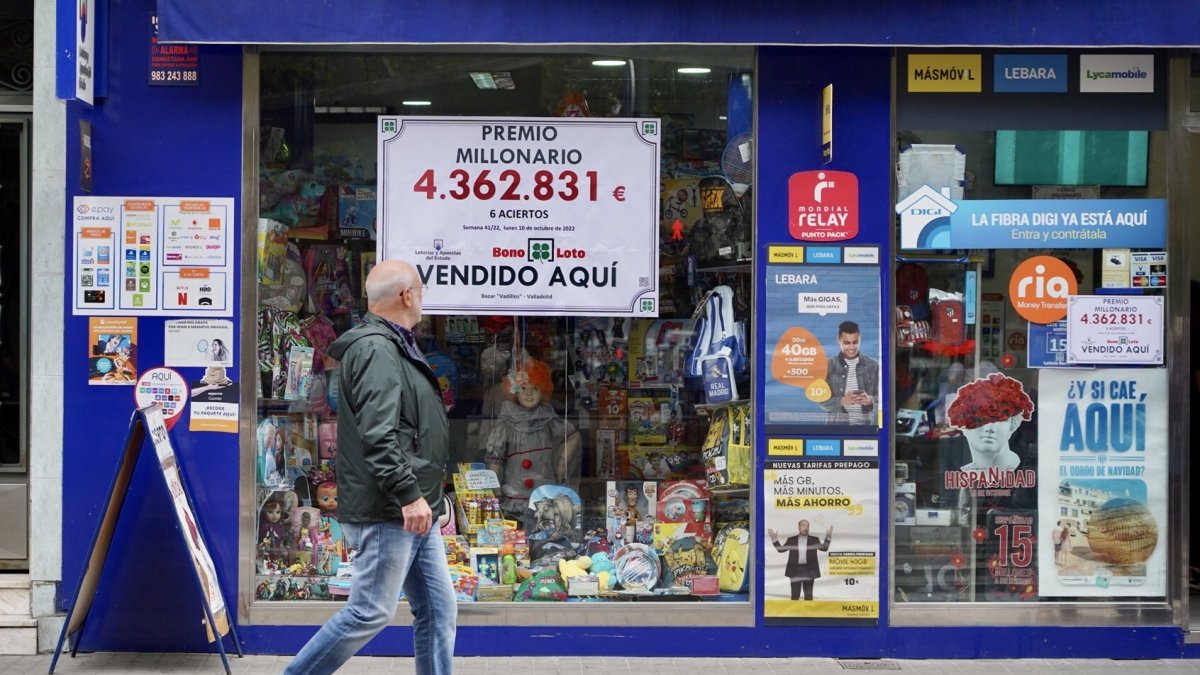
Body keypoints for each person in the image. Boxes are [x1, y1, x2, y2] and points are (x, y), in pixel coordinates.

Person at [285, 259, 455, 675]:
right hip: (392, 508)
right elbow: (379, 435)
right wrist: (410, 495)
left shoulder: (393, 343)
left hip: (414, 507)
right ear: (407, 295)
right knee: (370, 611)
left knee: (438, 612)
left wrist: (424, 496)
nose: (423, 300)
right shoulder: (378, 349)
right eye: (421, 292)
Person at [945, 372, 1034, 472]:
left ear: (1012, 426)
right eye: (978, 420)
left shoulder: (1019, 471)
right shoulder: (963, 473)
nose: (989, 429)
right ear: (964, 428)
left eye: (999, 420)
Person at [820, 320, 879, 425]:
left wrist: (870, 400)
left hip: (866, 429)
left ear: (860, 339)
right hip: (837, 429)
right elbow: (822, 402)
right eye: (846, 343)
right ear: (839, 340)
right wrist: (842, 401)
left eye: (855, 342)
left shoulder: (873, 365)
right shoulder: (827, 365)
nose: (851, 347)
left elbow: (885, 399)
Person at [767, 519, 833, 600]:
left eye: (808, 526)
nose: (806, 528)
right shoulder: (791, 539)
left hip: (809, 571)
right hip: (795, 570)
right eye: (803, 525)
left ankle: (807, 612)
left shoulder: (814, 539)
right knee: (795, 596)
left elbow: (824, 548)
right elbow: (781, 550)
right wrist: (774, 539)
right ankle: (794, 612)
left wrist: (828, 537)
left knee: (808, 596)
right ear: (799, 527)